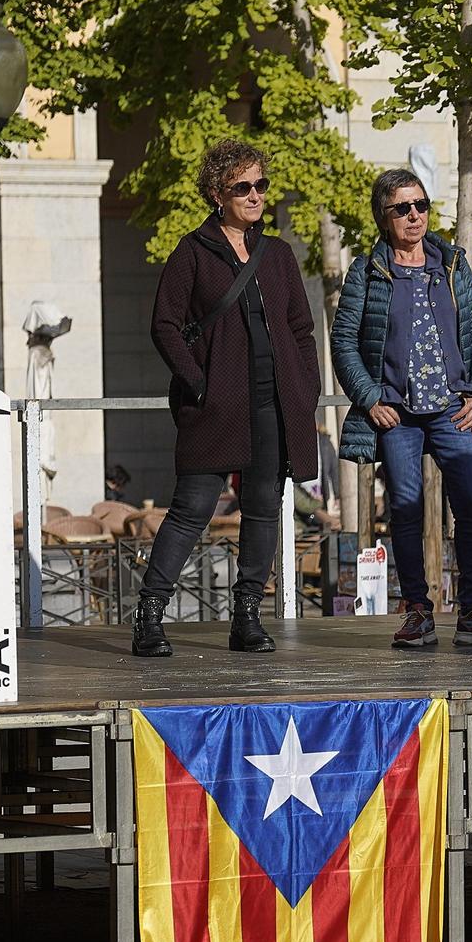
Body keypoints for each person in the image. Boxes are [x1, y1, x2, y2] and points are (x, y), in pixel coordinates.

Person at [134, 139, 322, 657]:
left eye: (261, 185)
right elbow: (165, 326)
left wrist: (305, 388)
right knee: (191, 510)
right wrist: (199, 381)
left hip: (275, 403)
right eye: (244, 187)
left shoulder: (278, 255)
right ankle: (150, 615)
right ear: (218, 194)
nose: (256, 195)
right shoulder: (192, 252)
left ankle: (247, 619)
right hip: (215, 406)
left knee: (264, 510)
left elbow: (301, 330)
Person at [332, 168, 472, 649]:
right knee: (406, 511)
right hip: (397, 411)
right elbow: (344, 342)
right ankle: (417, 611)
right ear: (384, 216)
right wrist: (370, 399)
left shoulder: (452, 263)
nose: (415, 216)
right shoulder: (367, 271)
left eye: (421, 206)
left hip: (455, 408)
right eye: (402, 208)